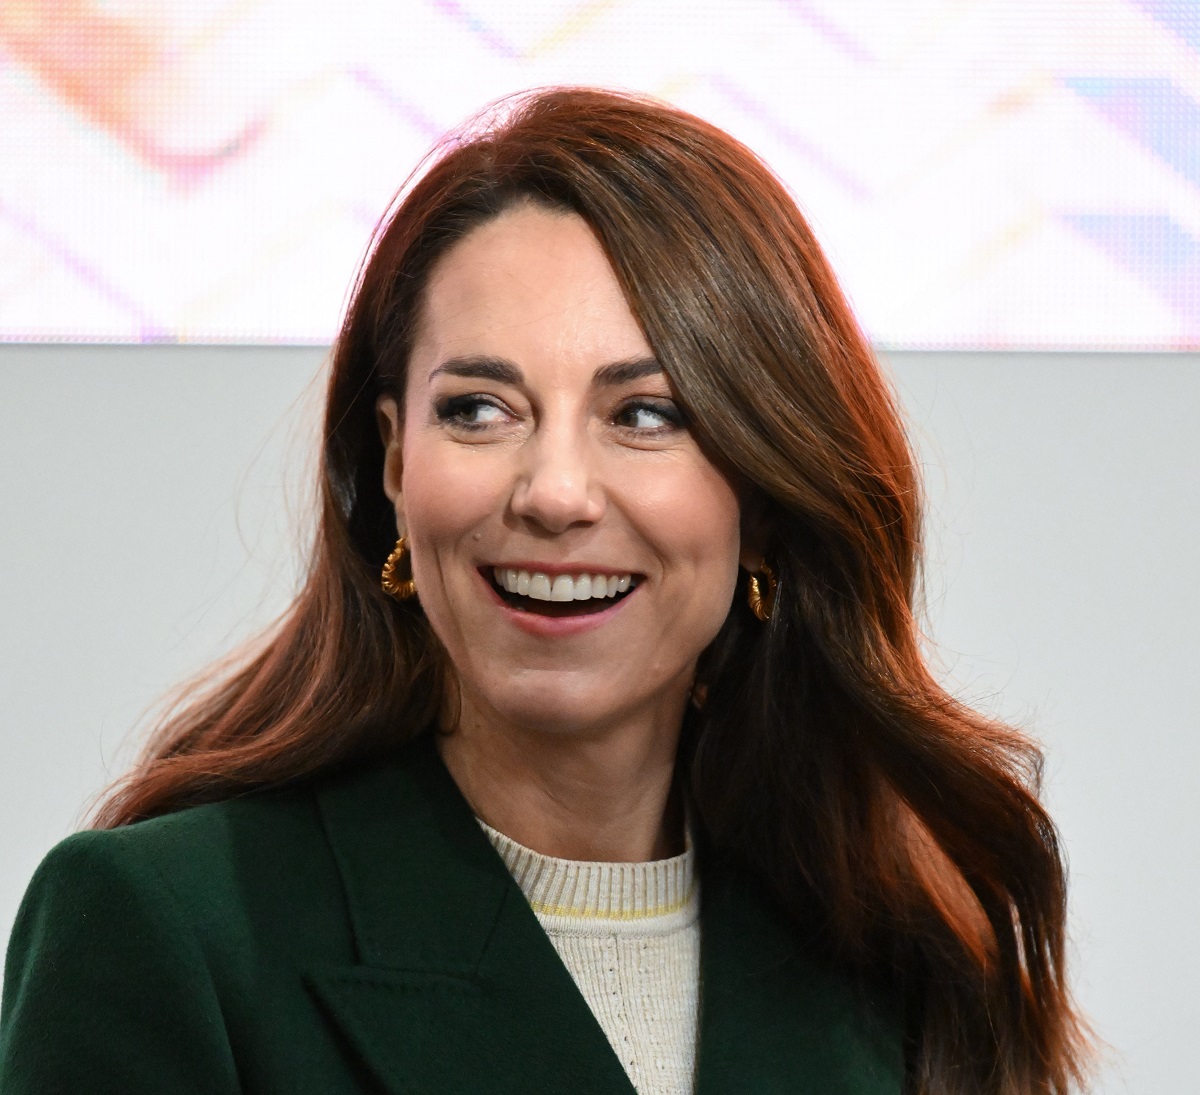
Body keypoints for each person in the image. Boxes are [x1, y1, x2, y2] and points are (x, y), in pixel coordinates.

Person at [0, 87, 1090, 1094]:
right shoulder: (163, 928)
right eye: (479, 409)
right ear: (392, 463)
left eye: (647, 414)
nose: (556, 492)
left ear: (761, 496)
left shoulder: (904, 955)